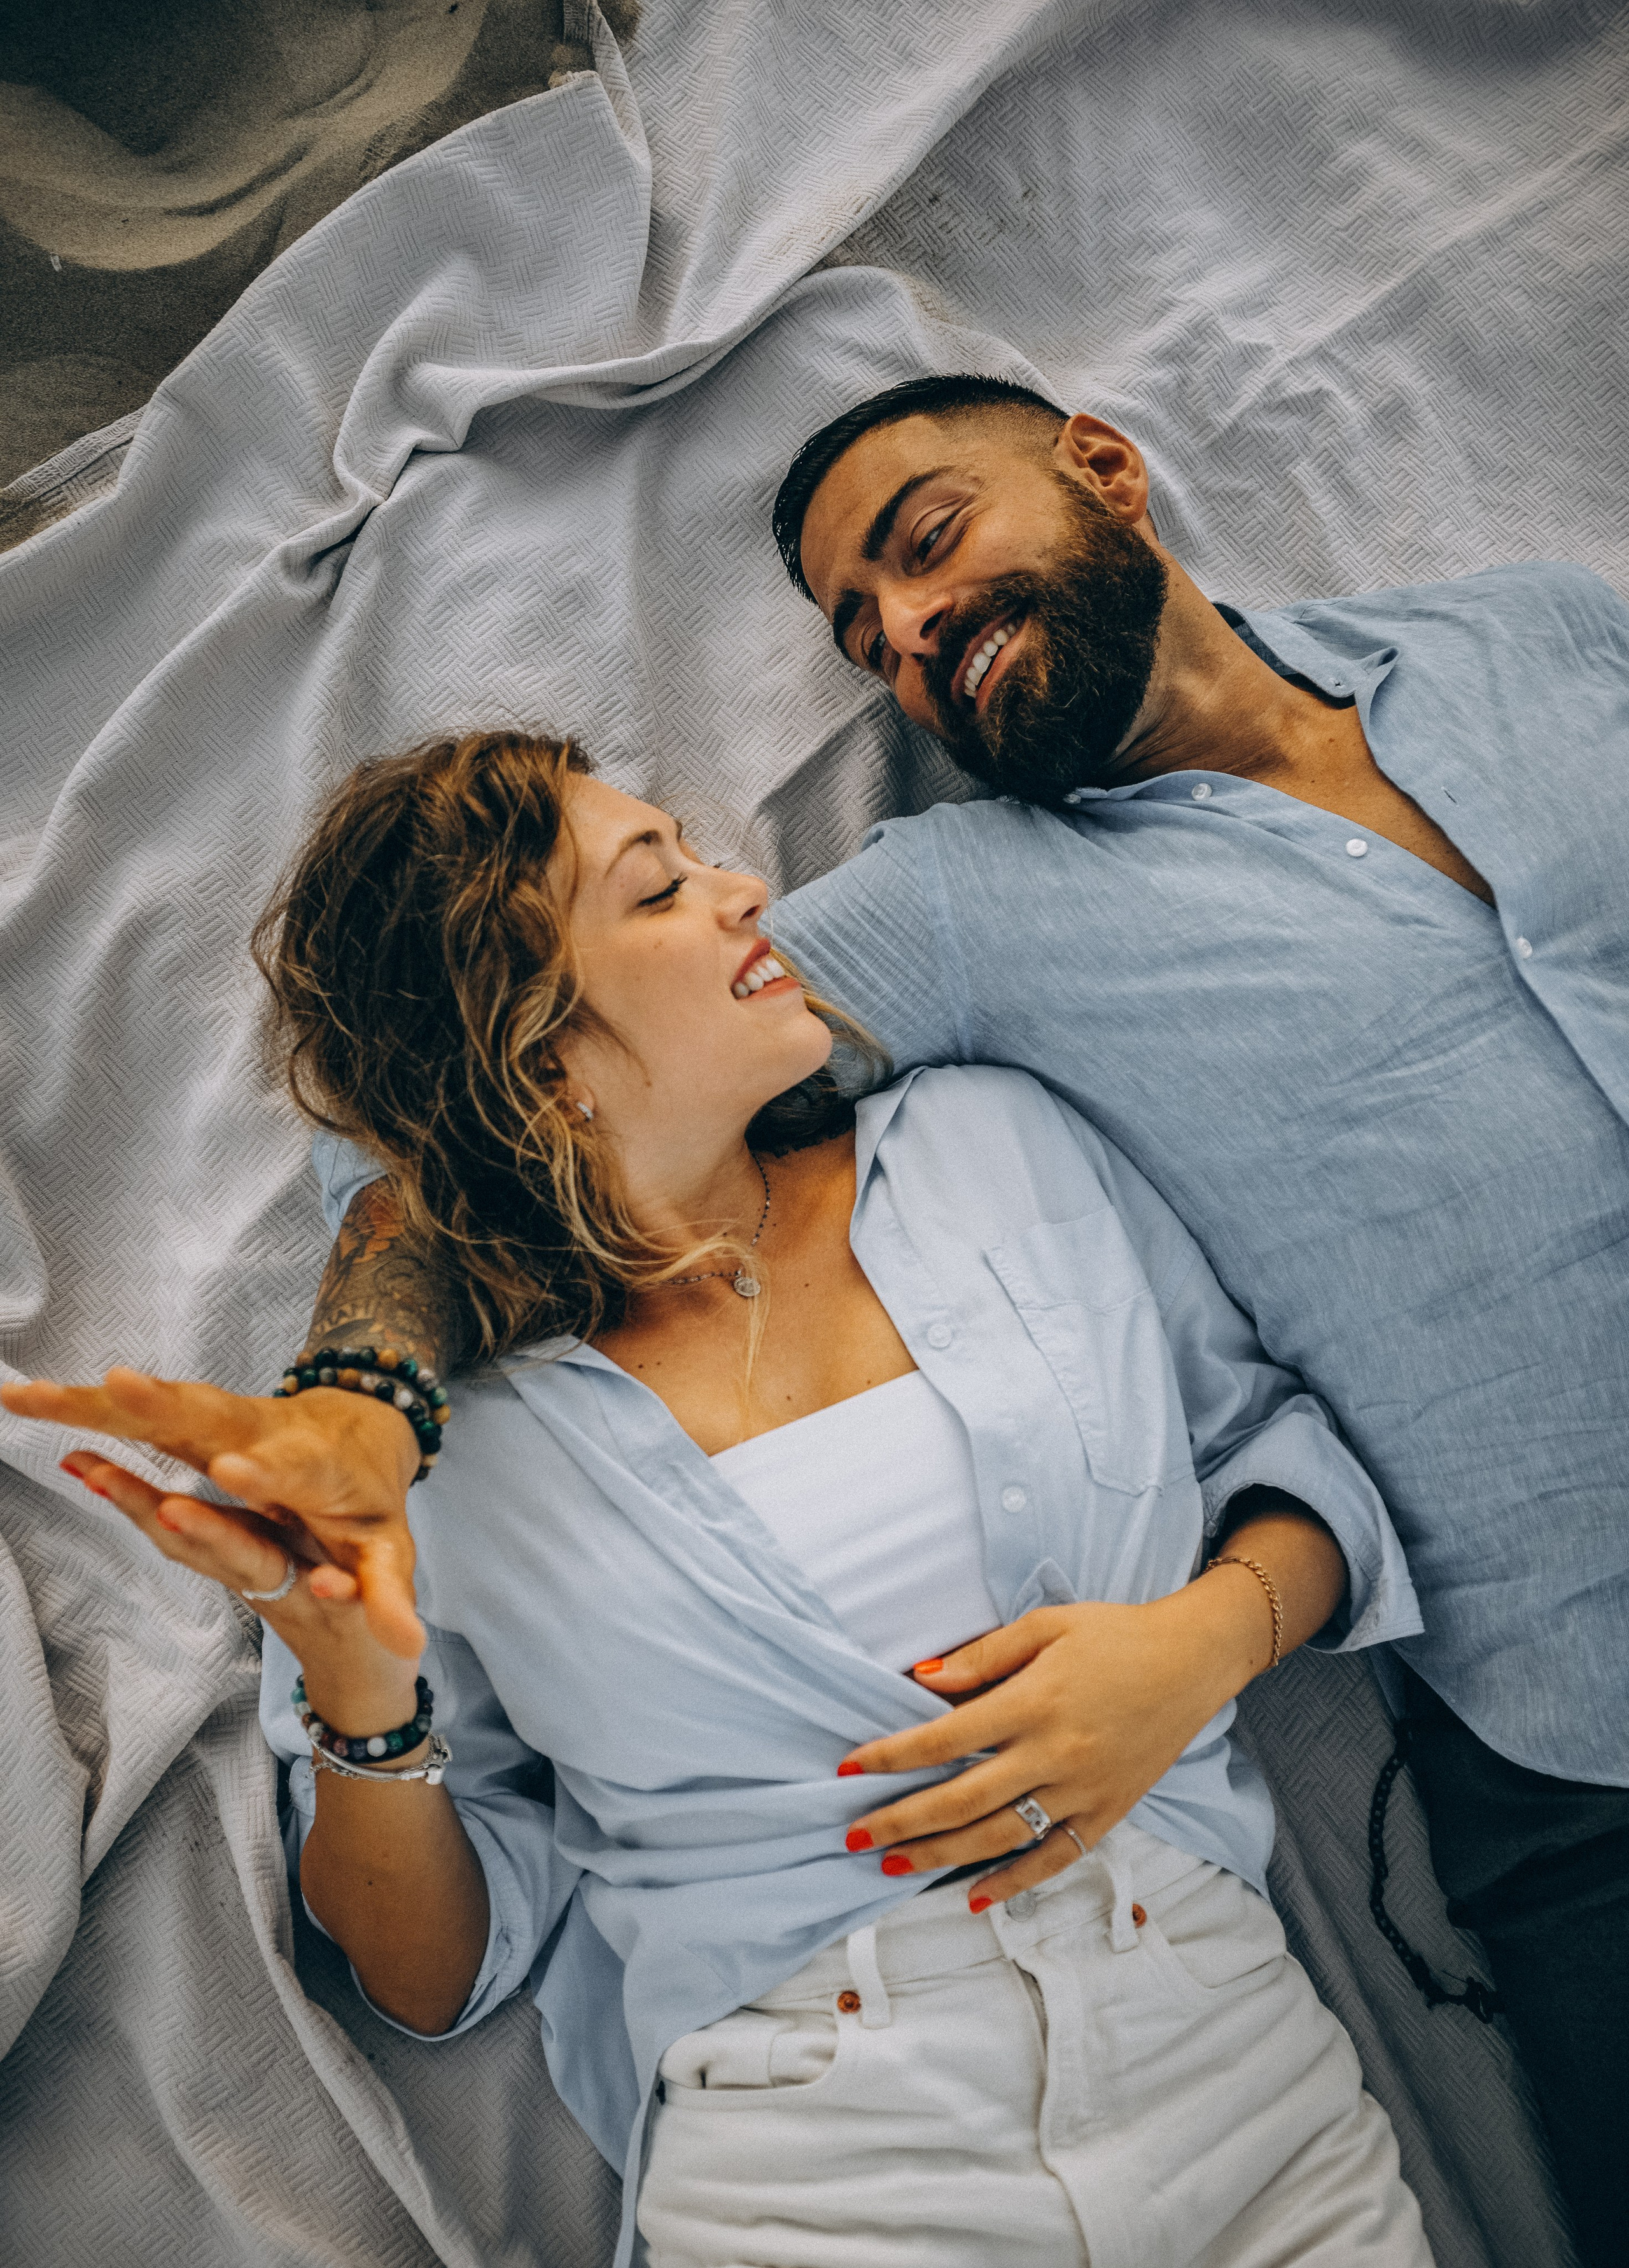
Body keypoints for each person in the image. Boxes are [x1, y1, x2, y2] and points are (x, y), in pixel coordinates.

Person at [254, 375, 1629, 2266]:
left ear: (1105, 467)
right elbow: (432, 1144)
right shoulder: (970, 918)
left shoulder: (1544, 638)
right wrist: (360, 1397)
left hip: (1242, 2084)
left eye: (925, 543)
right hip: (1576, 1745)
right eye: (865, 637)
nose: (906, 636)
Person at [5, 730, 1434, 2268]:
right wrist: (360, 1696)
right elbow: (424, 1974)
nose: (746, 889)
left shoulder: (996, 1144)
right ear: (543, 1062)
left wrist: (1200, 1647)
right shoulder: (432, 1453)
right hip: (812, 2169)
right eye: (658, 890)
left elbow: (1280, 1455)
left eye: (695, 853)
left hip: (1244, 2092)